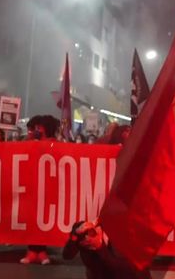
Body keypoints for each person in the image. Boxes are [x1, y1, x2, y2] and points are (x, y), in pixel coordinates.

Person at [19, 114, 59, 265]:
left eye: (40, 127)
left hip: (48, 187)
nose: (37, 129)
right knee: (31, 219)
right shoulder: (30, 142)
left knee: (44, 220)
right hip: (31, 186)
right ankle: (31, 251)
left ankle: (42, 251)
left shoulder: (55, 143)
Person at [62, 220, 151, 279]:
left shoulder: (124, 236)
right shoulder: (84, 232)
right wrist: (74, 236)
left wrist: (100, 247)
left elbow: (118, 267)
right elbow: (66, 256)